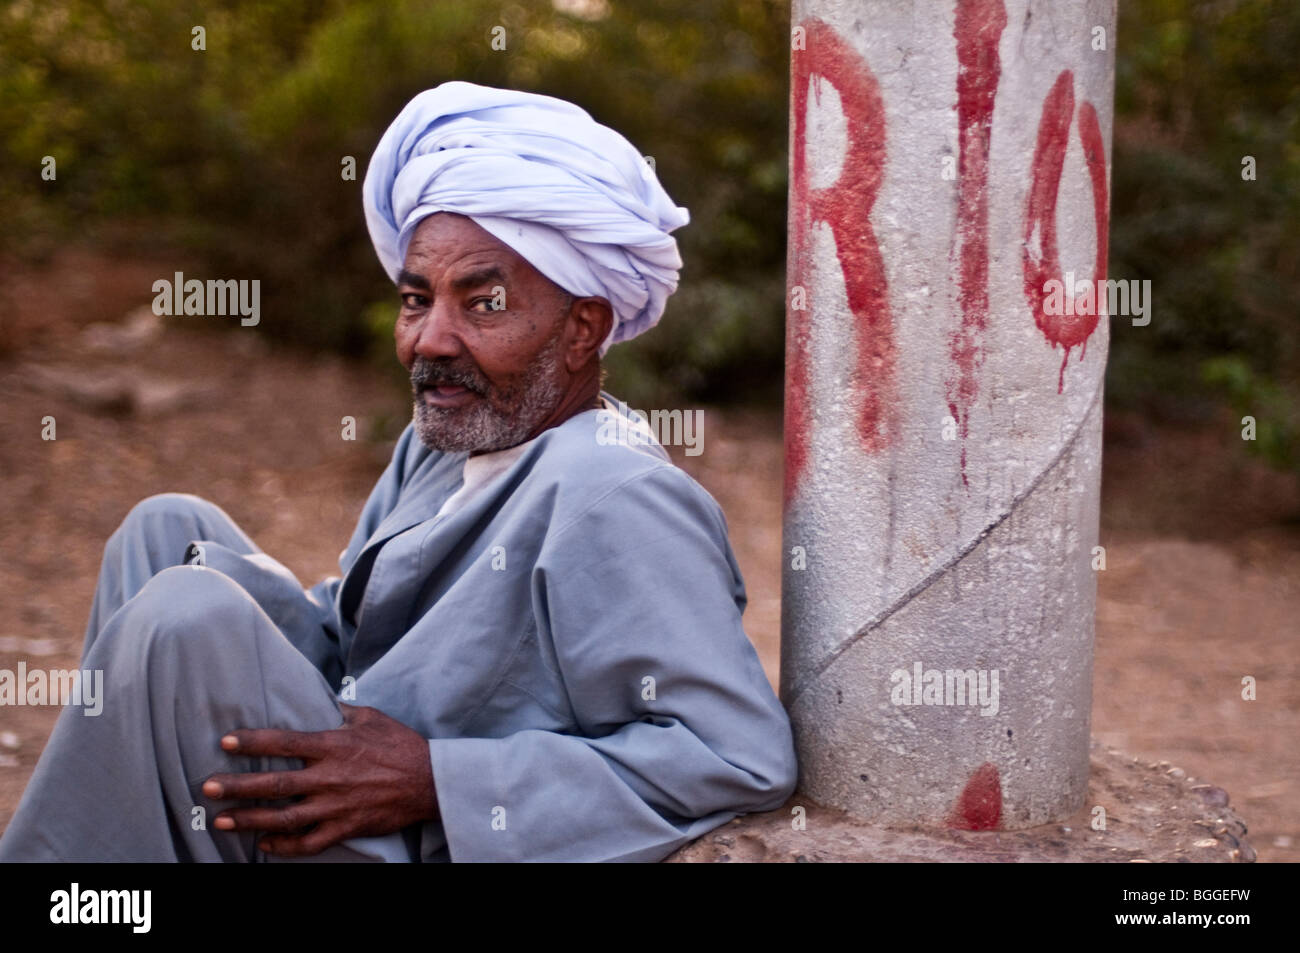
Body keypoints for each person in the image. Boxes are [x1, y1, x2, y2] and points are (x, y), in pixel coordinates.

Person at [0, 82, 797, 863]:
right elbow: (364, 637)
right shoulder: (449, 437)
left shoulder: (617, 494)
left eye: (482, 304)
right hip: (345, 759)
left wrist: (437, 780)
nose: (430, 340)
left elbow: (735, 755)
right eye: (417, 300)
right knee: (166, 533)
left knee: (186, 610)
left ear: (582, 328)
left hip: (402, 836)